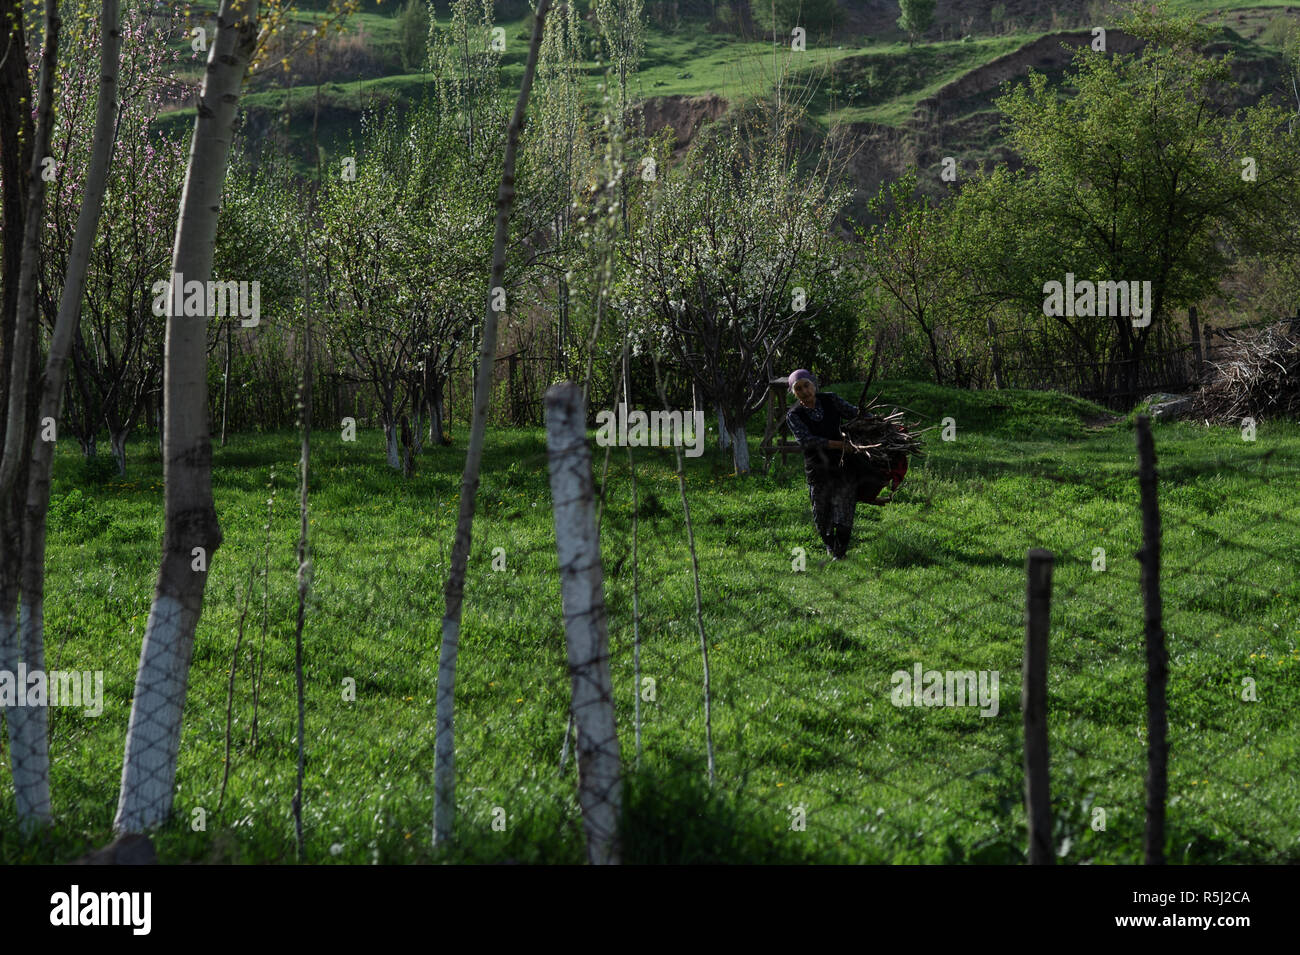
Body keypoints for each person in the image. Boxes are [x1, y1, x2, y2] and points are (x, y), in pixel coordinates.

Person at [785, 369, 876, 560]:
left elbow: (854, 414)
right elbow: (807, 441)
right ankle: (830, 545)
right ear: (794, 393)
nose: (804, 391)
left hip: (843, 465)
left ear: (814, 384)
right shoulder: (794, 415)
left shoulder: (831, 400)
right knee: (822, 514)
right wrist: (839, 445)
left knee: (844, 510)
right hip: (818, 470)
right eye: (798, 389)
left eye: (806, 385)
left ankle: (840, 553)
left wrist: (875, 421)